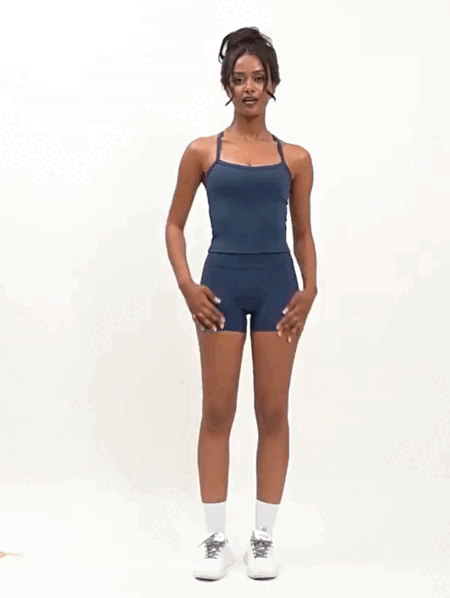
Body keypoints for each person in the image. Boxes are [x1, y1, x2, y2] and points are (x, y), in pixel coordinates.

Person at [165, 26, 317, 580]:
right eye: (238, 79)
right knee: (217, 412)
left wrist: (310, 289)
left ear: (272, 83)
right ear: (227, 87)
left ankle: (262, 539)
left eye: (257, 78)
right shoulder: (202, 152)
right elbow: (174, 225)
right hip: (220, 286)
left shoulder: (294, 158)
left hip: (277, 286)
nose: (248, 87)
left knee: (273, 413)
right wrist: (188, 286)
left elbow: (303, 234)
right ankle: (214, 540)